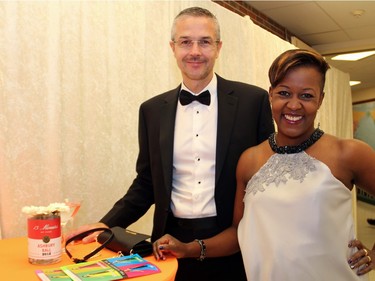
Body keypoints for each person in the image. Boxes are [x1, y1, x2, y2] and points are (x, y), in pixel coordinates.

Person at [67, 6, 274, 281]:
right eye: (186, 42)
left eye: (205, 42)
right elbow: (146, 183)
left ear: (218, 47)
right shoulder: (151, 110)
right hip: (168, 246)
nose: (195, 51)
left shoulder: (253, 101)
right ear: (172, 47)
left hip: (233, 245)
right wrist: (106, 223)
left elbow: (269, 179)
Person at [154, 49, 375, 280]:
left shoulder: (348, 153)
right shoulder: (250, 160)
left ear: (321, 99)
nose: (294, 105)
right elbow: (237, 234)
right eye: (284, 93)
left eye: (306, 96)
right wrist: (187, 248)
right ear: (271, 95)